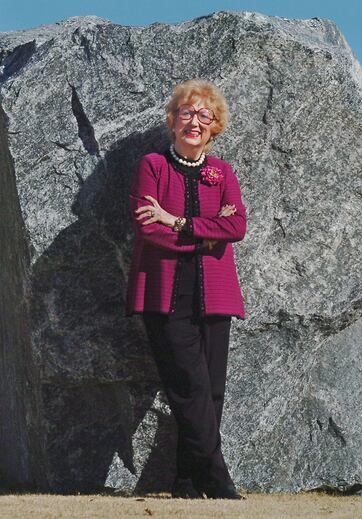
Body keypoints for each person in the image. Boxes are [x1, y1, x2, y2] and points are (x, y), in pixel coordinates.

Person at [125, 79, 247, 499]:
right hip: (165, 295)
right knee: (190, 388)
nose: (194, 121)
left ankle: (186, 480)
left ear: (215, 126)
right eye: (186, 113)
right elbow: (147, 227)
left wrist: (176, 221)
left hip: (214, 294)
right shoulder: (153, 166)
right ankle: (218, 477)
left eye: (204, 115)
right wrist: (207, 235)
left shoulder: (223, 173)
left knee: (211, 391)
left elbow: (237, 227)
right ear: (173, 121)